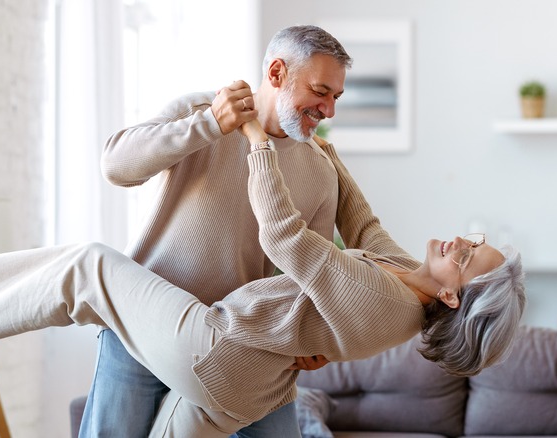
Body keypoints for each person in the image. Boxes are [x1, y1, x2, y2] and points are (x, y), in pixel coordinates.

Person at [0, 122, 527, 438]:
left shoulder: (381, 299)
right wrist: (327, 152)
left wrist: (258, 144)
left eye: (468, 258)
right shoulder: (403, 278)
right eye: (473, 240)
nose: (460, 243)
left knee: (90, 266)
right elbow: (362, 221)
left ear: (452, 295)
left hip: (215, 348)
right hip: (247, 379)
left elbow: (283, 238)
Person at [88, 24, 356, 437]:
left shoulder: (319, 172)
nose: (329, 110)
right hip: (141, 328)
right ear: (277, 73)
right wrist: (211, 123)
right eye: (320, 91)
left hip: (236, 345)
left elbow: (310, 276)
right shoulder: (203, 109)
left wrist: (311, 339)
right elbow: (116, 167)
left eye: (336, 97)